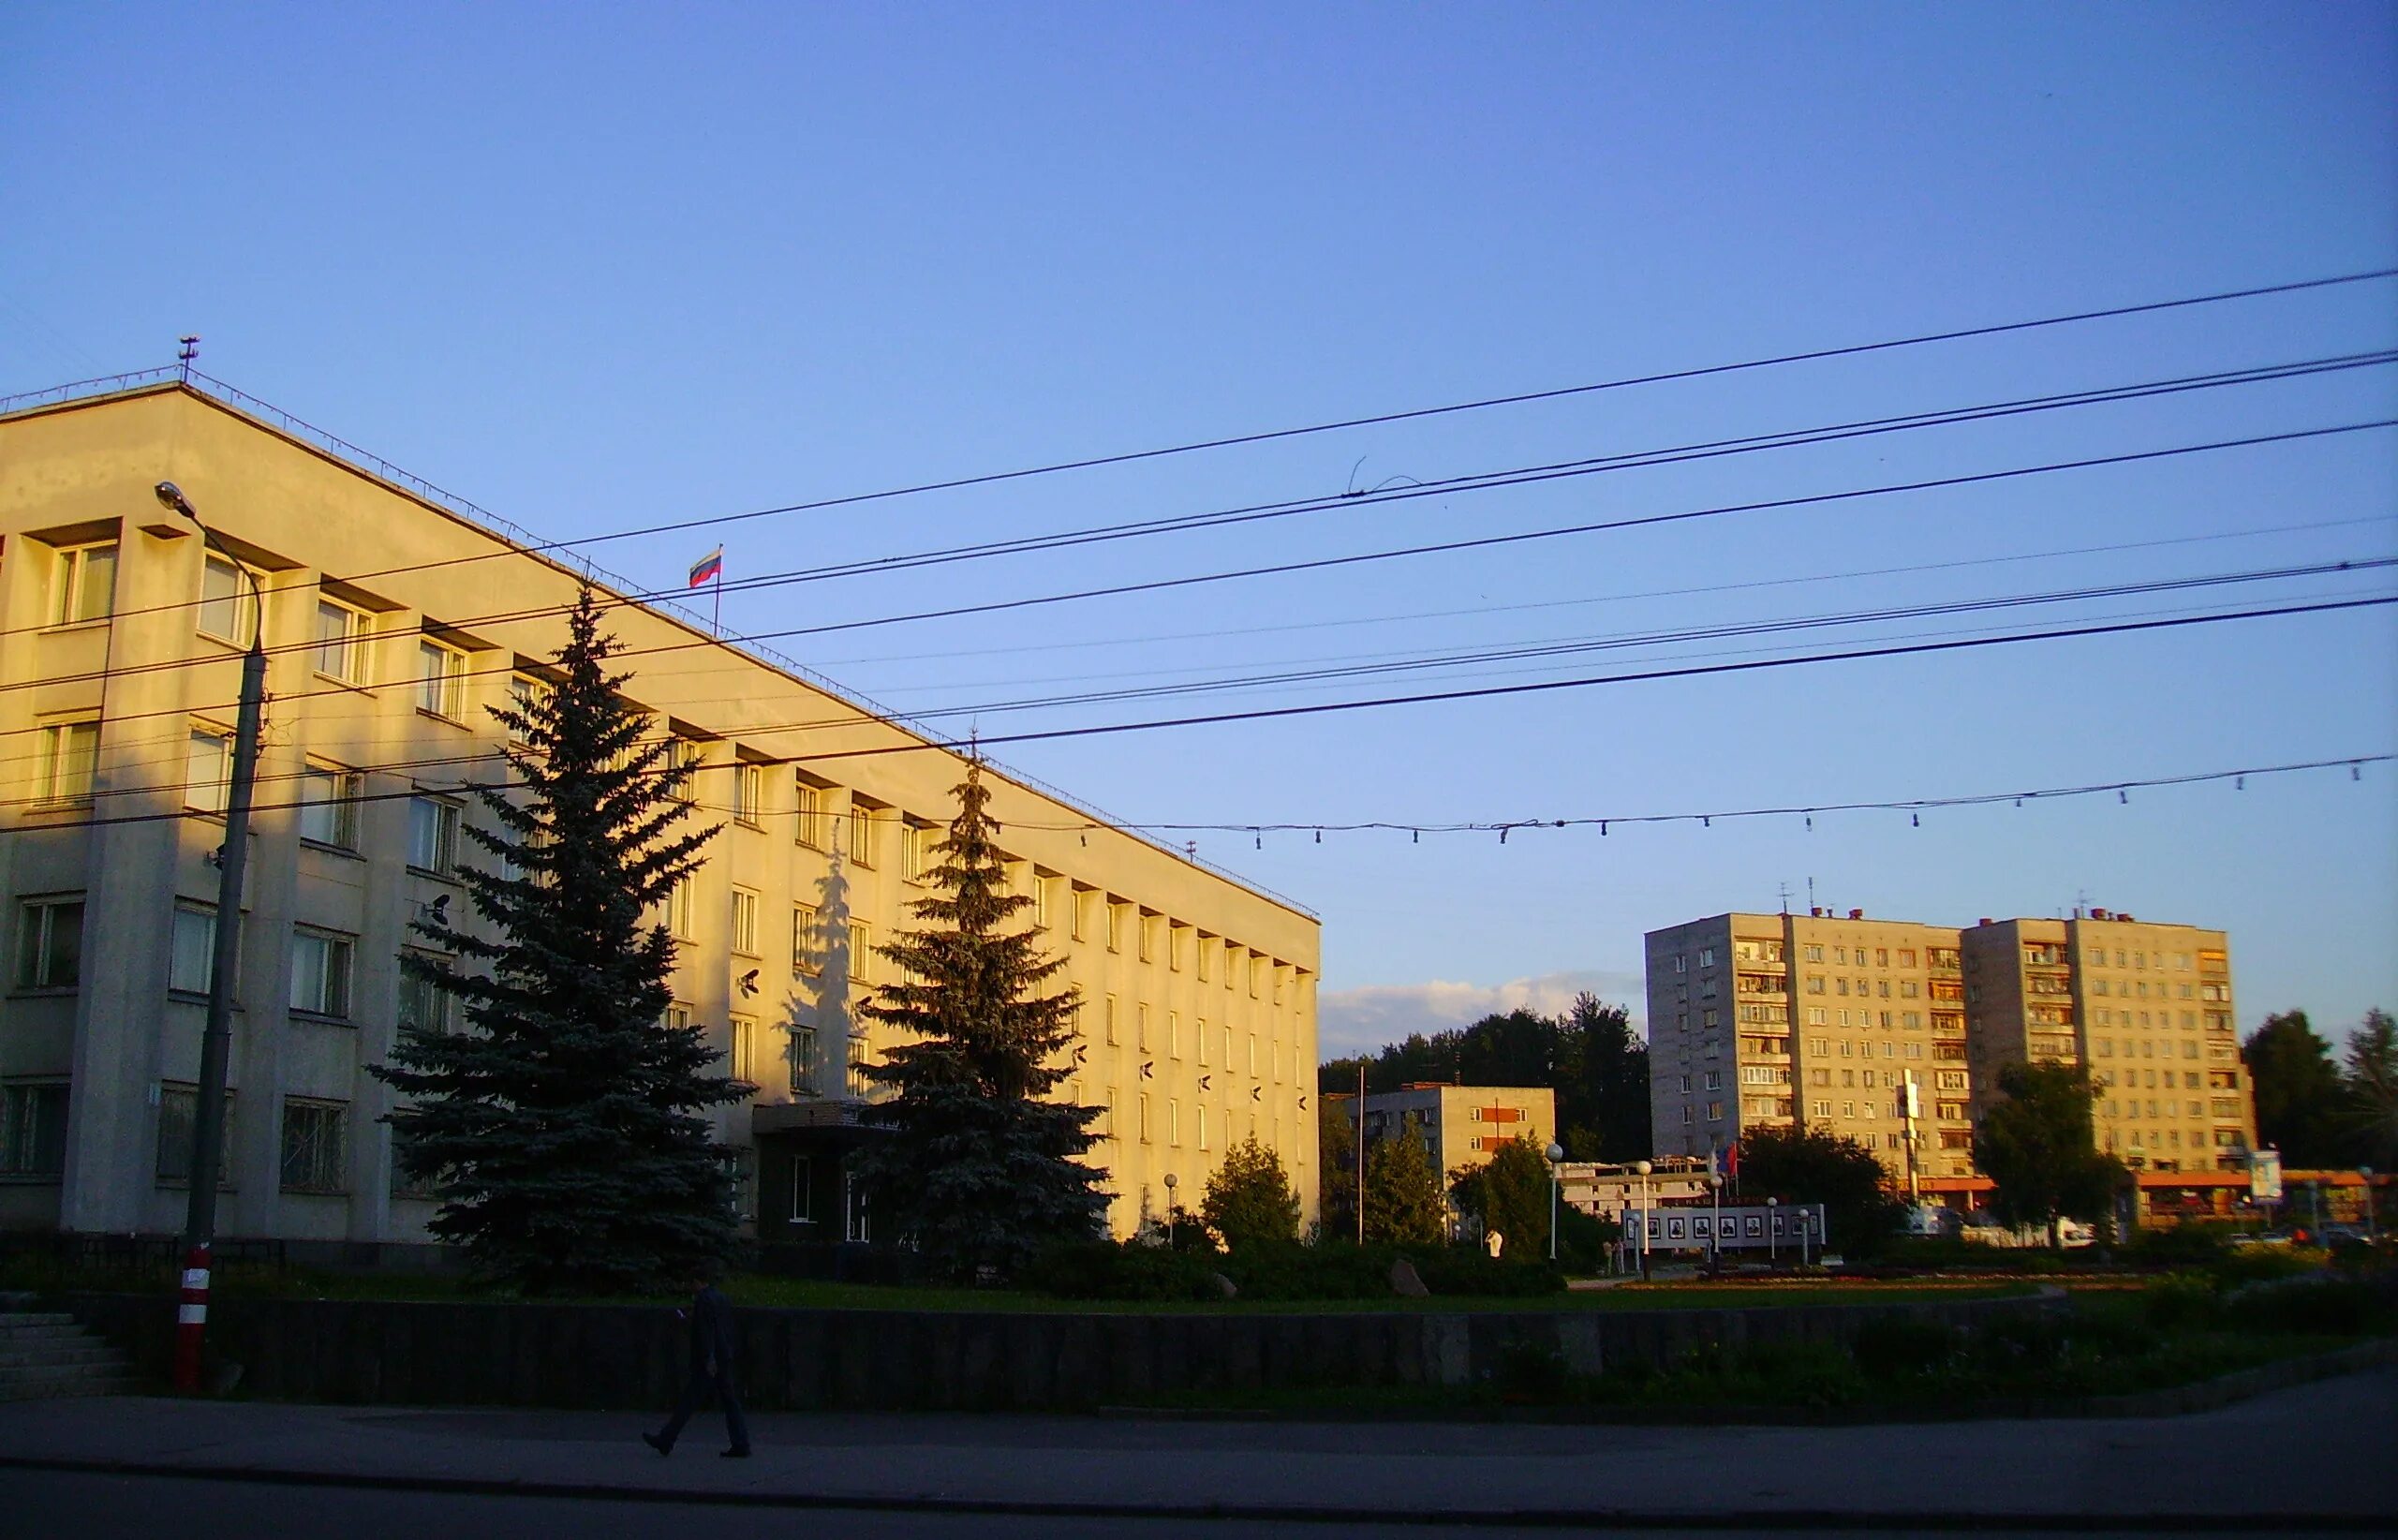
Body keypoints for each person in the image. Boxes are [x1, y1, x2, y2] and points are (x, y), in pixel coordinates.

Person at [643, 1266, 750, 1458]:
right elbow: (721, 1326)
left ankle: (666, 1439)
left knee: (690, 1400)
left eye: (690, 1283)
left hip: (709, 1360)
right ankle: (741, 1443)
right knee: (729, 1401)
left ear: (696, 1282)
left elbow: (706, 1331)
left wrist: (709, 1358)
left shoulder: (703, 1300)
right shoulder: (720, 1297)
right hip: (723, 1355)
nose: (689, 1288)